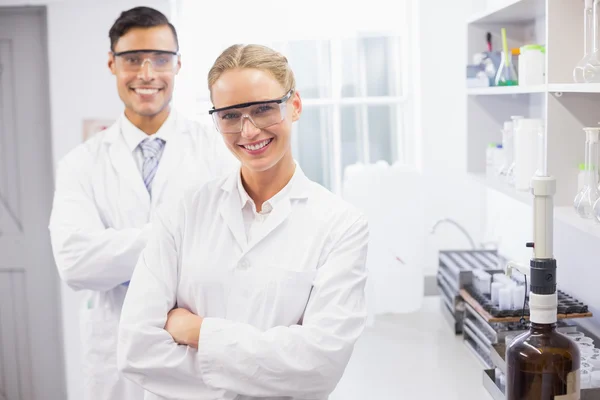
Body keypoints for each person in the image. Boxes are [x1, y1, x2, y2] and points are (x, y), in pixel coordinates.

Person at [117, 43, 370, 400]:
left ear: (294, 105)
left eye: (264, 110)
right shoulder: (184, 211)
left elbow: (318, 366)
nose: (248, 131)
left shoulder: (341, 225)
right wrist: (266, 368)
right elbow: (136, 350)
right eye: (230, 116)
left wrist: (198, 332)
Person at [48, 7, 236, 400]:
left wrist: (117, 253)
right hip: (115, 356)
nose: (147, 73)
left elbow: (232, 247)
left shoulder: (217, 151)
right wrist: (179, 237)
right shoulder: (81, 163)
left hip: (195, 354)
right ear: (112, 64)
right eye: (133, 59)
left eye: (161, 59)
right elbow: (75, 263)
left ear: (178, 65)